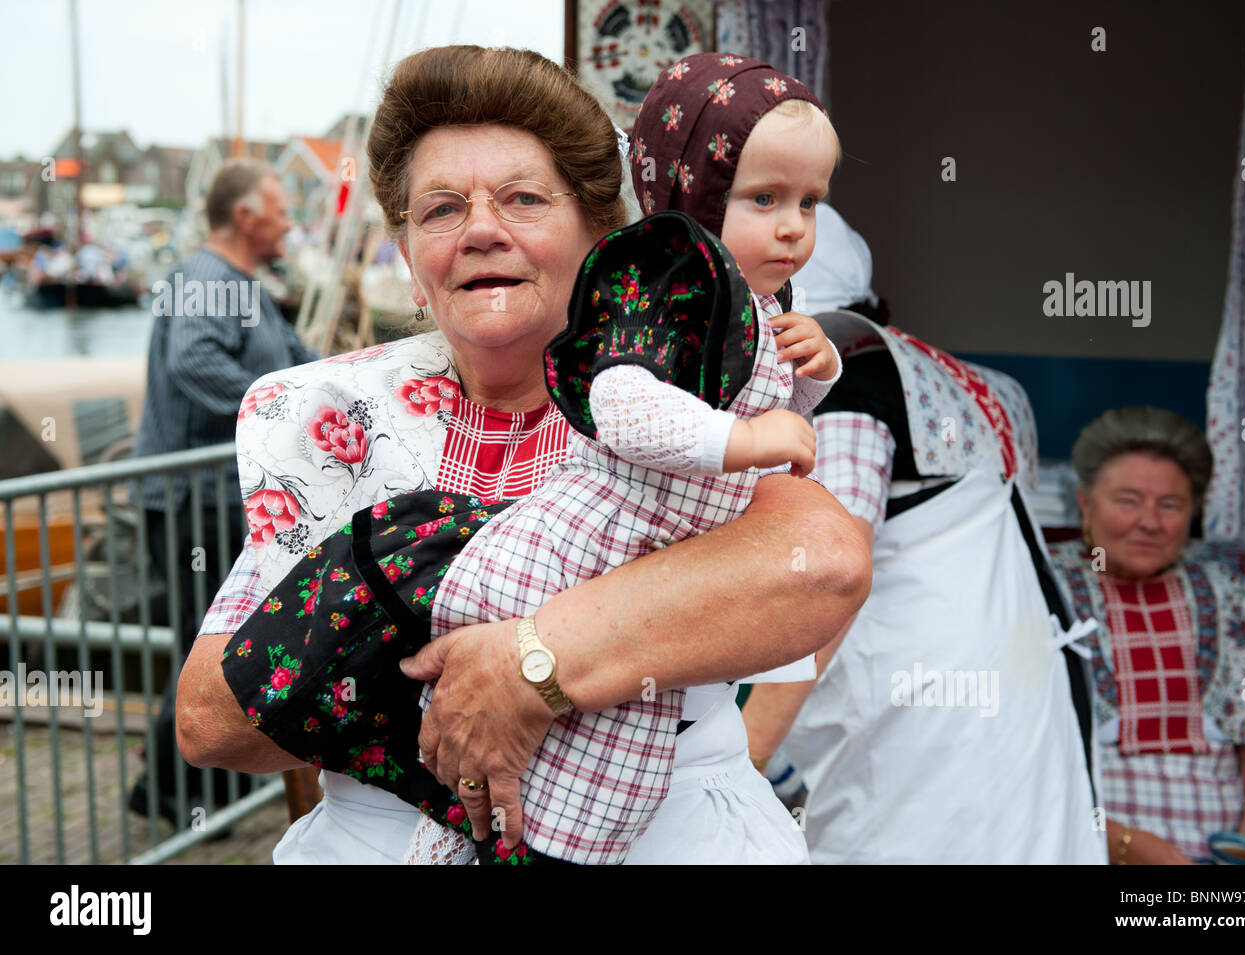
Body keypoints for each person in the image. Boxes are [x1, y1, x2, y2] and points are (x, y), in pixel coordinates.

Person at [175, 45, 870, 865]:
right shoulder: (328, 421)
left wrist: (525, 665)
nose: (478, 230)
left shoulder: (676, 388)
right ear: (408, 259)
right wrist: (457, 709)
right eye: (438, 211)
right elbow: (208, 714)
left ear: (597, 235)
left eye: (523, 199)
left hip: (655, 834)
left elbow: (825, 562)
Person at [741, 302, 1107, 863]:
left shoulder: (849, 396)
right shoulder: (989, 388)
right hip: (1022, 701)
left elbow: (826, 576)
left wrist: (747, 758)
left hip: (921, 735)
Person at [130, 159, 318, 825]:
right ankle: (172, 793)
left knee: (221, 639)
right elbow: (193, 361)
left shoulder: (247, 285)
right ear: (244, 216)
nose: (290, 221)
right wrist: (274, 414)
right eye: (279, 208)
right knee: (203, 644)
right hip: (187, 502)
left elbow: (299, 363)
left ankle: (195, 786)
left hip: (215, 501)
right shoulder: (206, 278)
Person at [1049, 406, 1245, 864]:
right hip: (1081, 847)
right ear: (1086, 502)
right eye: (1127, 501)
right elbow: (1016, 771)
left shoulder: (1241, 579)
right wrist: (1132, 848)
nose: (1149, 522)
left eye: (1170, 505)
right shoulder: (1041, 581)